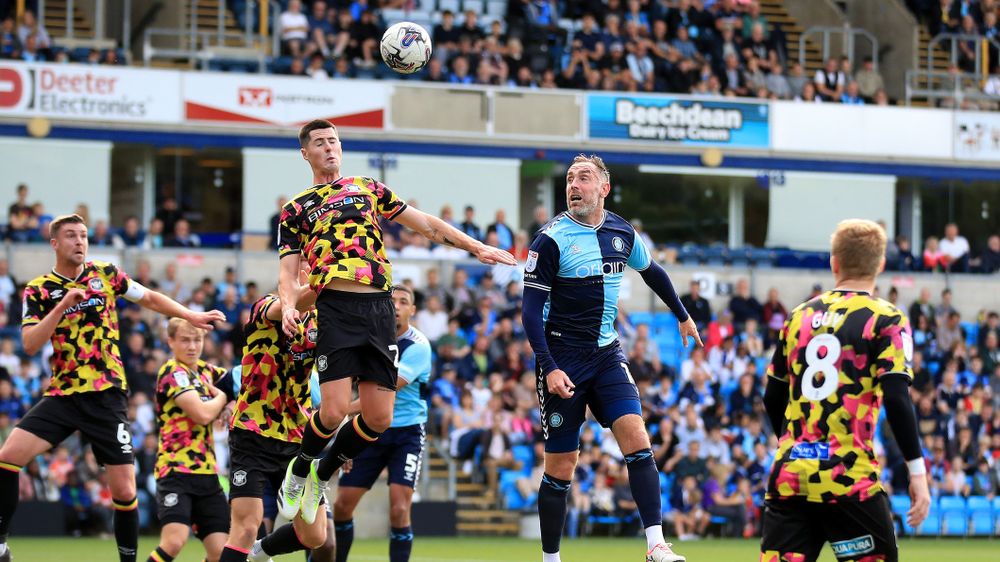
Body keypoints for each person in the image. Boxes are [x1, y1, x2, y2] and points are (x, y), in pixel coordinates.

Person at [273, 120, 513, 529]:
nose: (329, 147)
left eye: (334, 140)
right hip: (335, 307)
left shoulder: (367, 187)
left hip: (380, 310)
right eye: (319, 142)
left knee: (378, 418)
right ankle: (300, 469)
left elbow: (427, 225)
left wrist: (476, 246)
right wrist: (289, 304)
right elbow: (288, 275)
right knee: (331, 413)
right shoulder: (297, 208)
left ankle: (320, 474)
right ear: (305, 153)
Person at [0, 214, 223, 562]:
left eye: (84, 236)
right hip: (63, 394)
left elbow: (148, 297)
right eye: (71, 236)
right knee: (8, 456)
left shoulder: (105, 274)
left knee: (124, 489)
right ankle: (0, 544)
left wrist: (190, 315)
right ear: (55, 243)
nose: (79, 242)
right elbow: (29, 343)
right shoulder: (39, 288)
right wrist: (62, 305)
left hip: (106, 396)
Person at [522, 154, 699, 562]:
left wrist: (682, 315)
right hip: (562, 358)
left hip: (606, 354)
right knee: (562, 465)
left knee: (637, 438)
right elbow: (530, 313)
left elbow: (652, 271)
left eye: (583, 177)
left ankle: (656, 544)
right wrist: (549, 367)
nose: (574, 185)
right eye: (569, 178)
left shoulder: (621, 231)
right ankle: (551, 558)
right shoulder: (550, 239)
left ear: (604, 187)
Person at [760, 219, 930, 562]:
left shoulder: (798, 317)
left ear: (833, 263)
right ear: (880, 265)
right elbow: (896, 397)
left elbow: (772, 395)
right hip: (848, 479)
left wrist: (794, 446)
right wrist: (917, 473)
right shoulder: (886, 318)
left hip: (792, 476)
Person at [218, 275, 333, 562]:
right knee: (246, 526)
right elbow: (297, 299)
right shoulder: (265, 307)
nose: (313, 274)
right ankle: (249, 545)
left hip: (298, 440)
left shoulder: (322, 323)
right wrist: (338, 278)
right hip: (252, 432)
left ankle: (261, 551)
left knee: (317, 536)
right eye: (305, 269)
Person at [332, 284, 432, 562]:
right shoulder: (367, 339)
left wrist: (341, 412)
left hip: (407, 433)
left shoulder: (418, 346)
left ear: (412, 310)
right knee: (341, 507)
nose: (397, 306)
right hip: (369, 430)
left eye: (403, 301)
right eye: (392, 300)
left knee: (400, 510)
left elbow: (387, 389)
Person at [147, 318, 229, 562]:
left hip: (207, 473)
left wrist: (231, 399)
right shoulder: (172, 372)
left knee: (221, 552)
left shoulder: (207, 371)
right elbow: (202, 414)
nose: (192, 346)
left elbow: (239, 382)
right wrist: (224, 399)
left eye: (197, 339)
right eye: (185, 339)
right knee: (174, 541)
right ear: (170, 341)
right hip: (175, 470)